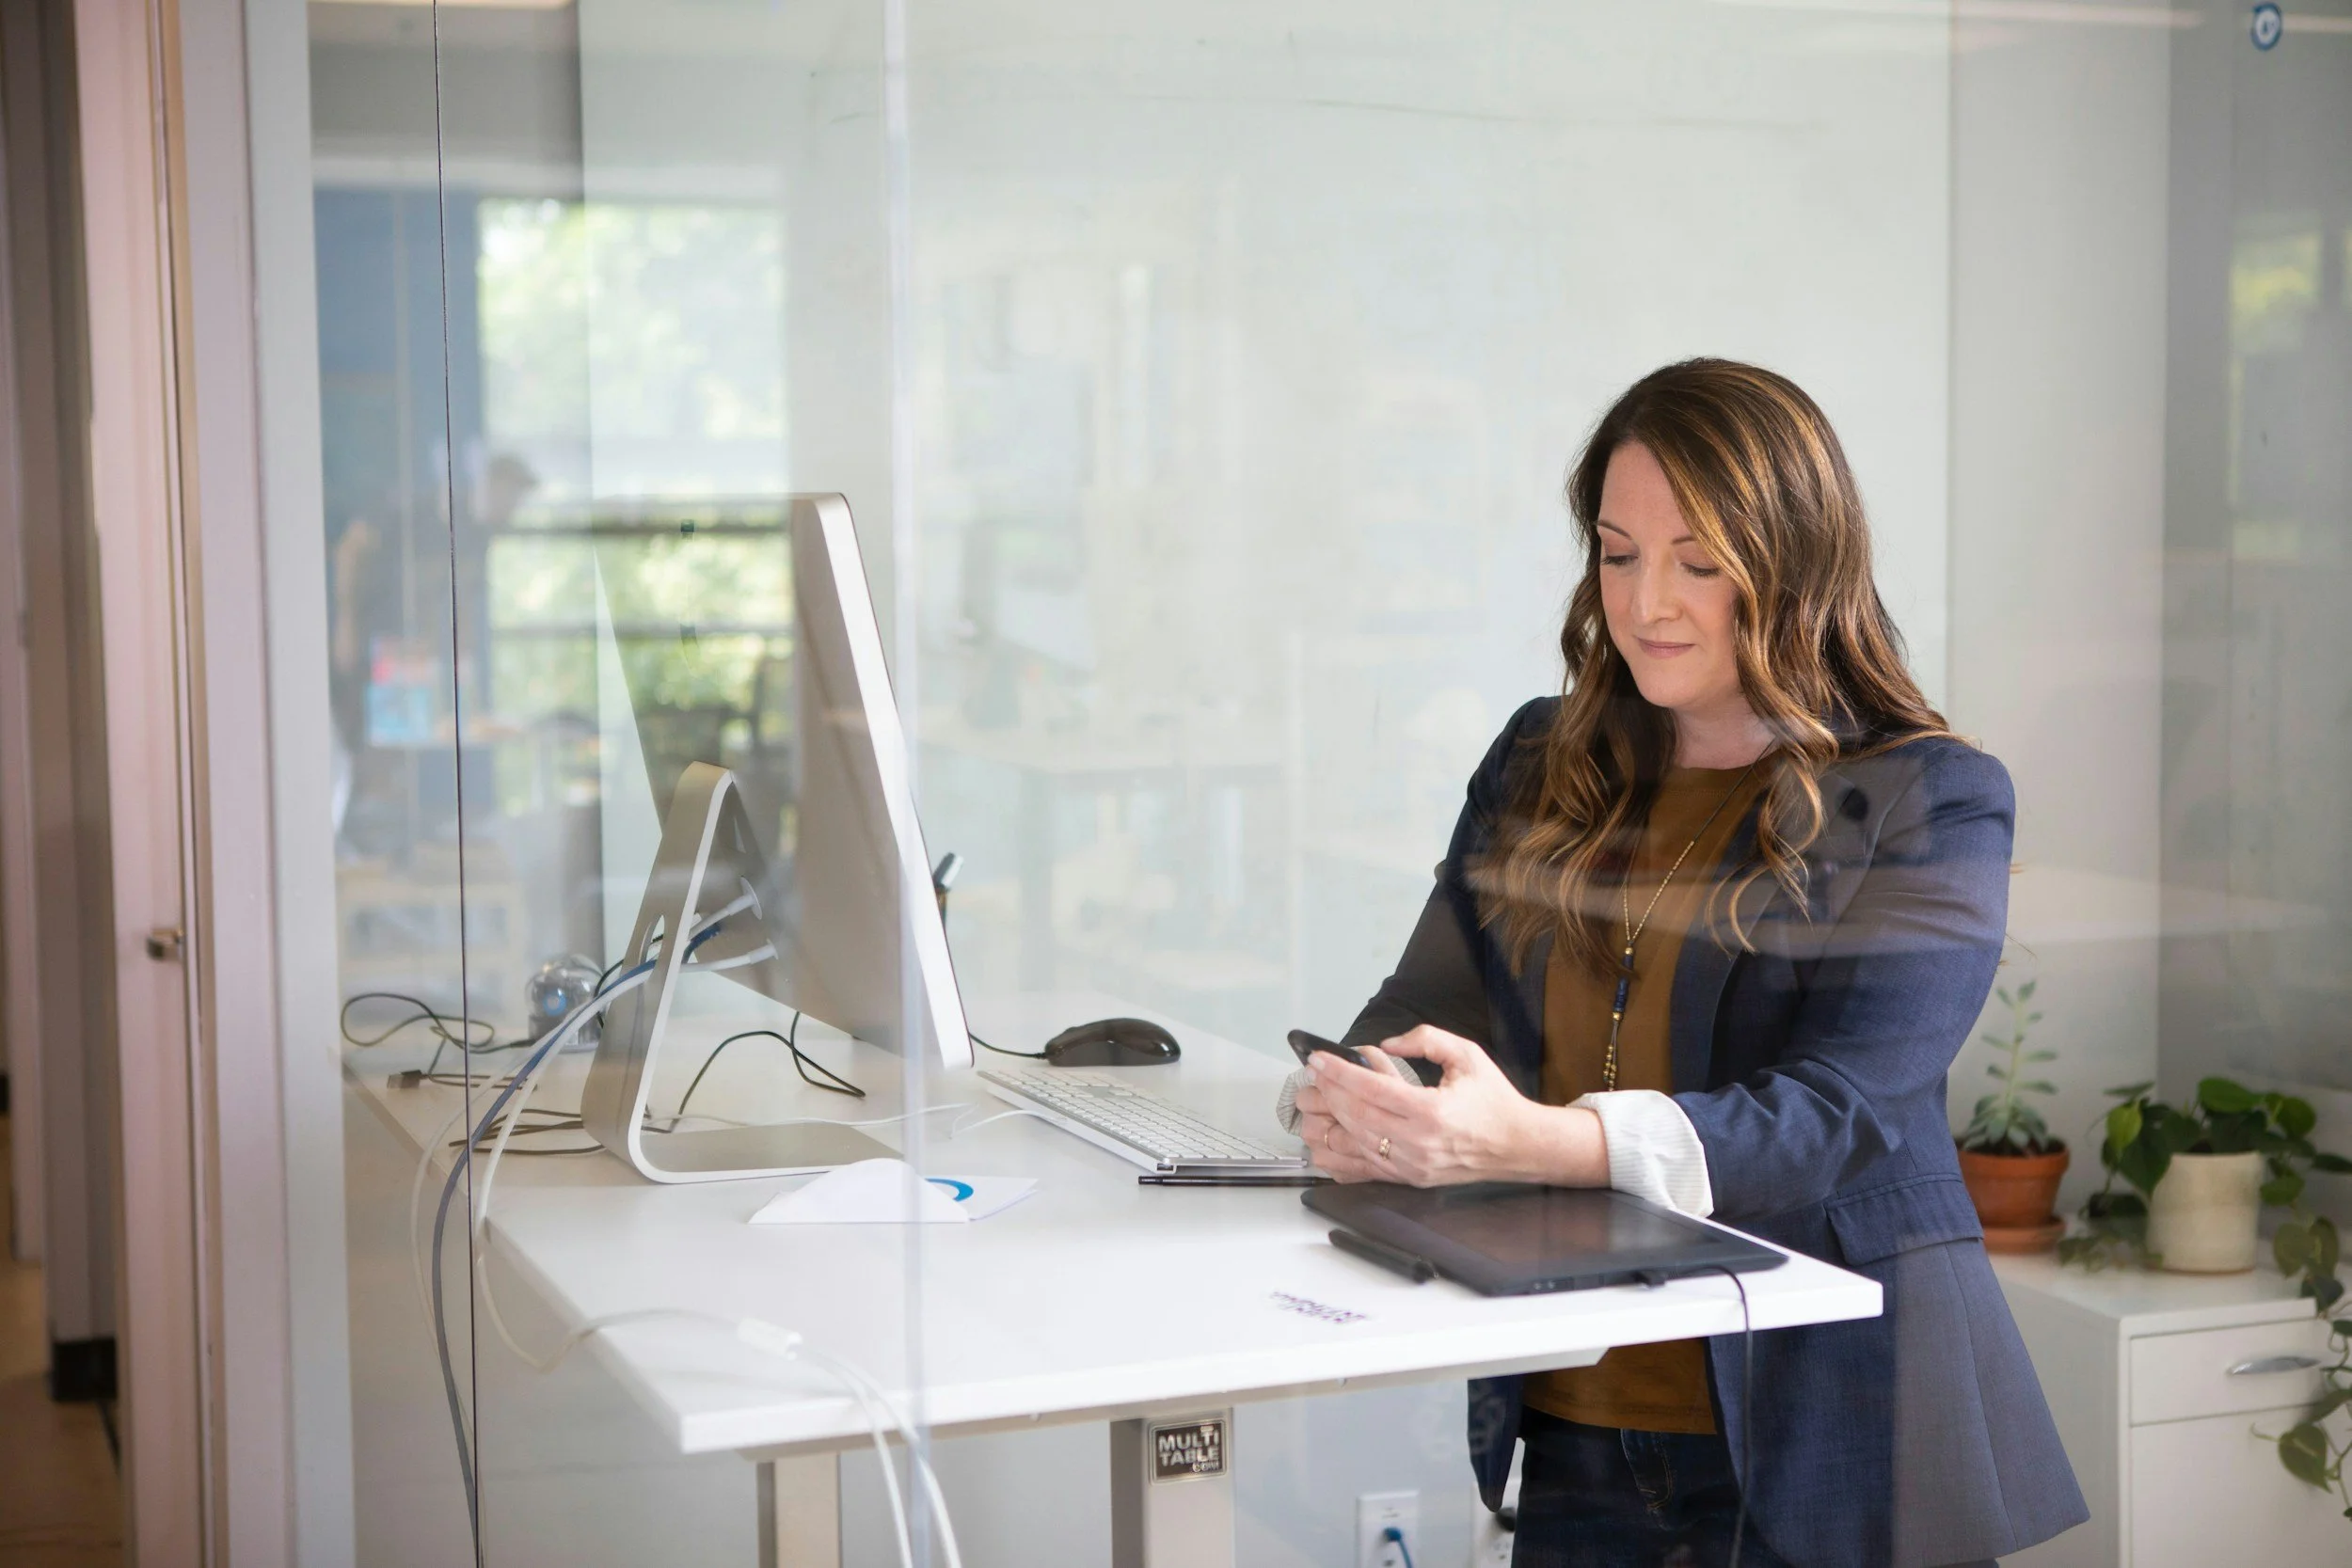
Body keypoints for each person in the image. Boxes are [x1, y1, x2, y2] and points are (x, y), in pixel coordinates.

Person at [1281, 359, 2086, 1568]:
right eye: (1617, 553)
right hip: (1577, 1424)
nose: (1647, 600)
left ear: (1795, 561)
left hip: (1834, 1434)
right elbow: (1418, 1014)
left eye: (1698, 561)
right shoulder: (1539, 759)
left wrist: (1522, 1139)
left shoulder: (1931, 797)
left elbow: (1838, 1114)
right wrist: (1350, 1100)